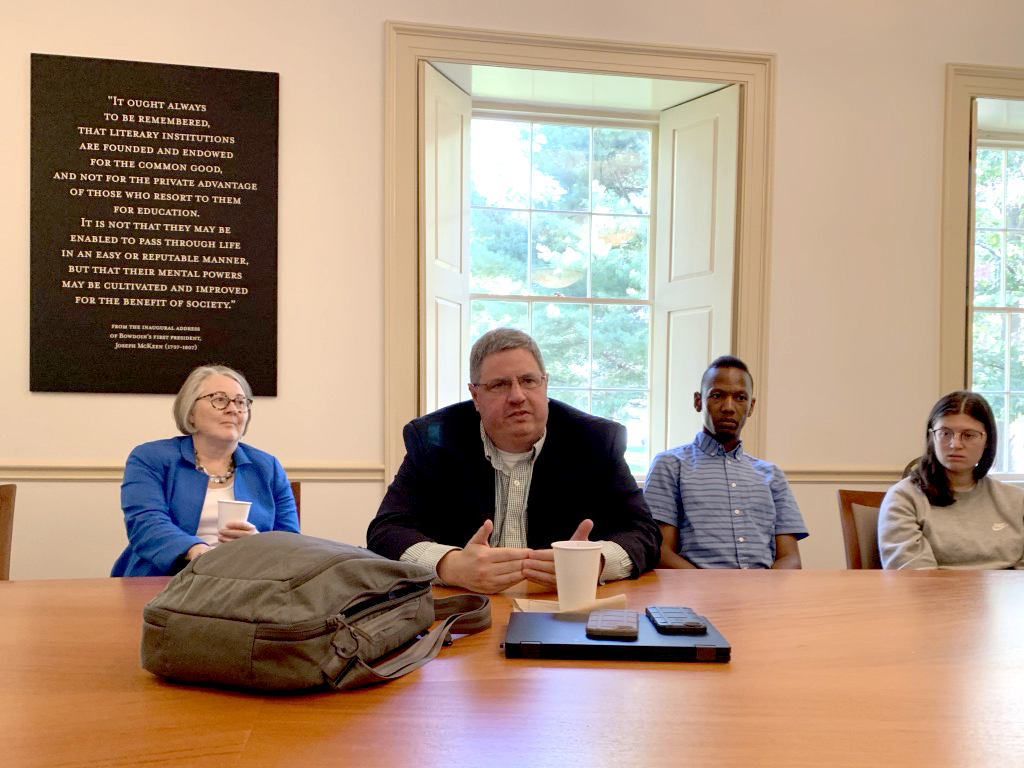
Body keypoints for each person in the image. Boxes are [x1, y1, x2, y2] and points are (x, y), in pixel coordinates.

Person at [366, 328, 661, 594]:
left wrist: (594, 563)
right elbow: (386, 531)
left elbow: (643, 533)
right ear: (475, 396)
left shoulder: (595, 440)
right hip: (467, 608)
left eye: (528, 381)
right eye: (499, 385)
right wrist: (450, 566)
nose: (517, 396)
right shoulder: (433, 440)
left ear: (545, 385)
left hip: (561, 606)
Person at [111, 365, 299, 576]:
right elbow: (146, 523)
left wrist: (257, 543)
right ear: (190, 412)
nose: (233, 409)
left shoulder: (268, 467)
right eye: (219, 399)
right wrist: (195, 550)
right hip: (162, 580)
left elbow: (290, 540)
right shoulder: (150, 457)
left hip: (248, 583)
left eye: (240, 401)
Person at [643, 355, 807, 569]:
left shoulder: (771, 475)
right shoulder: (671, 465)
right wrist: (713, 590)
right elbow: (661, 552)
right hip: (696, 596)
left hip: (764, 595)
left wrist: (766, 593)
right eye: (718, 395)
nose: (729, 407)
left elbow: (791, 558)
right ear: (698, 401)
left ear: (751, 406)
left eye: (740, 398)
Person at [878, 391, 1024, 570]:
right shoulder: (904, 498)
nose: (955, 444)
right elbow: (914, 577)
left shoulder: (1016, 500)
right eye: (945, 433)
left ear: (987, 440)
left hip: (1007, 596)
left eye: (968, 435)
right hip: (933, 596)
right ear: (932, 437)